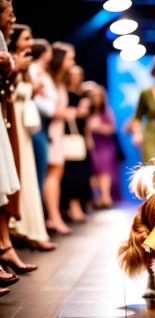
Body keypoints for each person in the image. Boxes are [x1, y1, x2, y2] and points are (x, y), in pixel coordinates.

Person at [8, 24, 56, 251]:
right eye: (26, 38)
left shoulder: (25, 64)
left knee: (29, 174)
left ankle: (30, 229)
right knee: (22, 173)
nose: (29, 43)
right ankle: (18, 229)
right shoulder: (14, 61)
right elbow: (10, 90)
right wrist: (29, 87)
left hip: (25, 122)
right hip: (14, 118)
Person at [0, 0, 37, 275]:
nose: (12, 19)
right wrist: (14, 64)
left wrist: (14, 66)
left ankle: (5, 244)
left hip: (8, 112)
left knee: (9, 180)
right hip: (10, 114)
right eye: (10, 14)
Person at [43, 42, 76, 234]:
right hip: (51, 132)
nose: (72, 61)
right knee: (53, 174)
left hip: (57, 131)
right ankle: (53, 217)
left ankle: (53, 216)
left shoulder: (59, 81)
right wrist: (66, 112)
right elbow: (49, 109)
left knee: (56, 174)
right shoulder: (48, 79)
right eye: (69, 57)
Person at [61, 65, 91, 222]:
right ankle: (72, 207)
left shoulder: (82, 95)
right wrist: (78, 111)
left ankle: (77, 206)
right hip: (67, 137)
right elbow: (68, 114)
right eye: (72, 74)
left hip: (79, 138)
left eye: (78, 74)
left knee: (81, 173)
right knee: (71, 173)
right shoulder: (65, 94)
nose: (76, 77)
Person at [86, 85, 118, 209]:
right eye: (93, 96)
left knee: (105, 170)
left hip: (104, 144)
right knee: (94, 171)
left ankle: (106, 197)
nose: (96, 99)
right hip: (92, 145)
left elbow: (112, 128)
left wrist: (98, 127)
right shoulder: (87, 112)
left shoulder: (107, 112)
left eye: (99, 96)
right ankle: (96, 198)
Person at [29, 38, 53, 194]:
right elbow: (37, 98)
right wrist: (54, 110)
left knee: (41, 169)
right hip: (36, 123)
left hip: (43, 124)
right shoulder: (33, 70)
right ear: (45, 53)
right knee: (38, 169)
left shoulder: (42, 72)